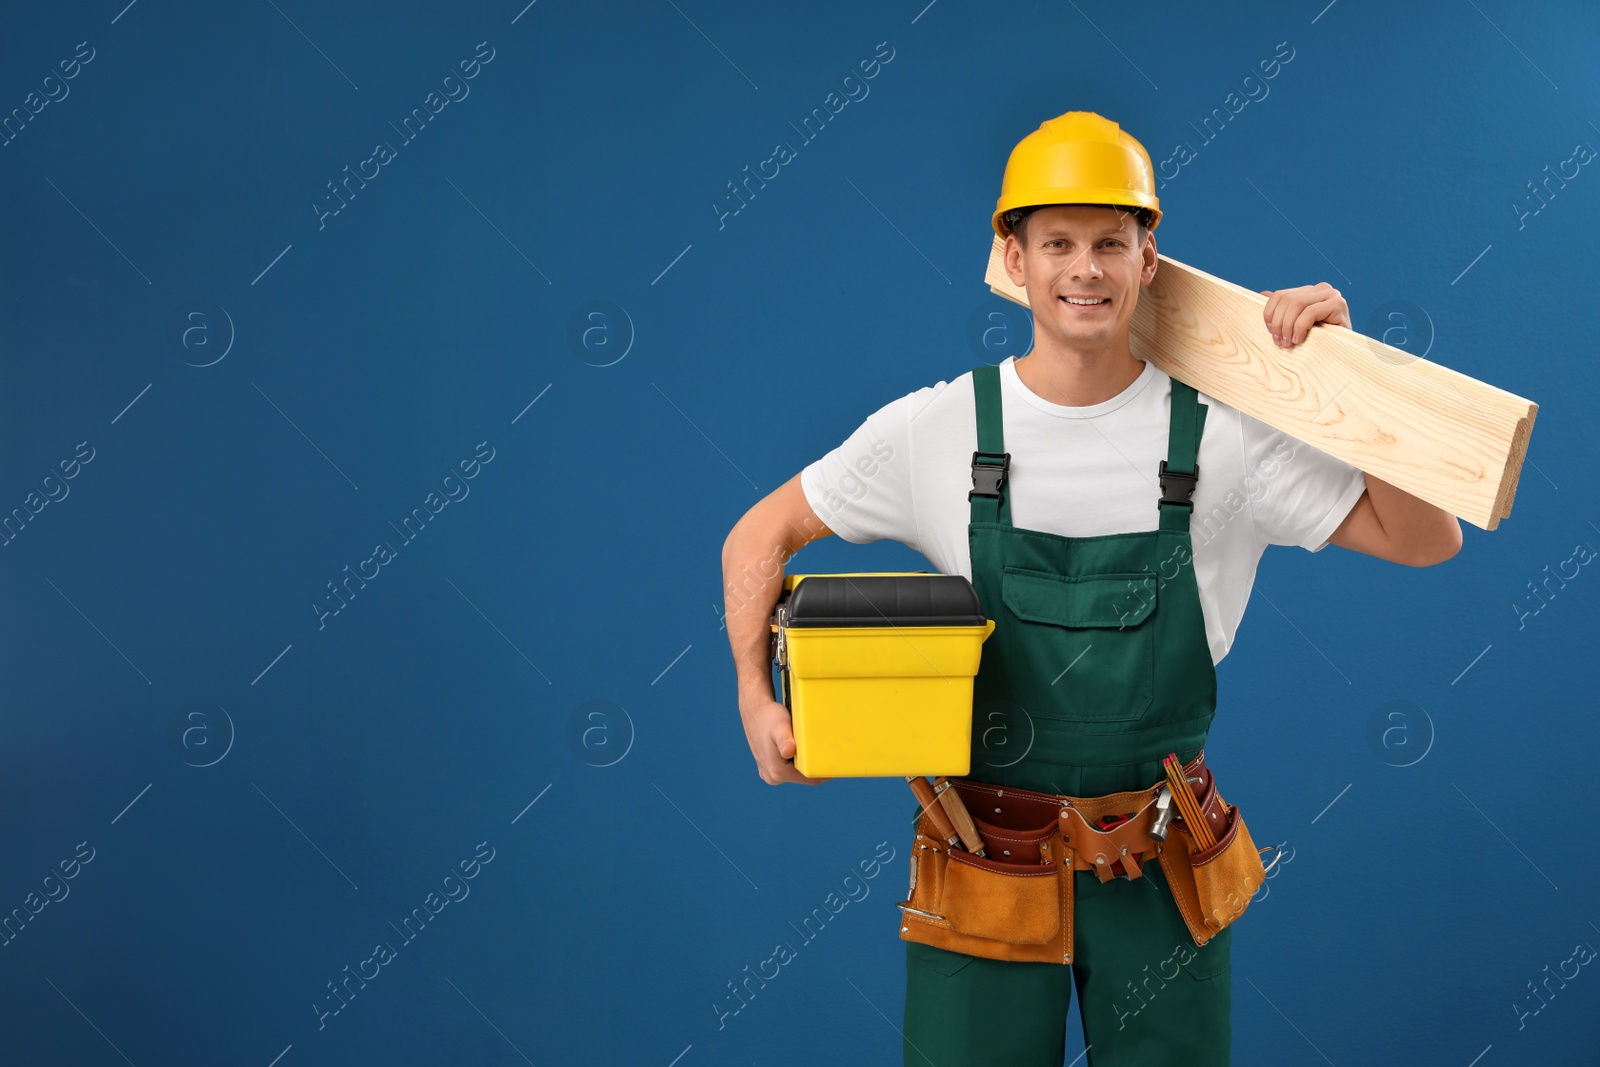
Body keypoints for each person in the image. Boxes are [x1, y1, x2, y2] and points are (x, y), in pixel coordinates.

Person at [720, 110, 1460, 1066]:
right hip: (985, 862)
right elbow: (759, 534)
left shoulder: (1224, 437)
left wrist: (1355, 388)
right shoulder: (938, 429)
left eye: (1112, 241)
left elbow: (1425, 536)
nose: (1086, 269)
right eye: (1058, 242)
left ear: (1149, 260)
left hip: (1161, 867)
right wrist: (752, 692)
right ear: (1013, 257)